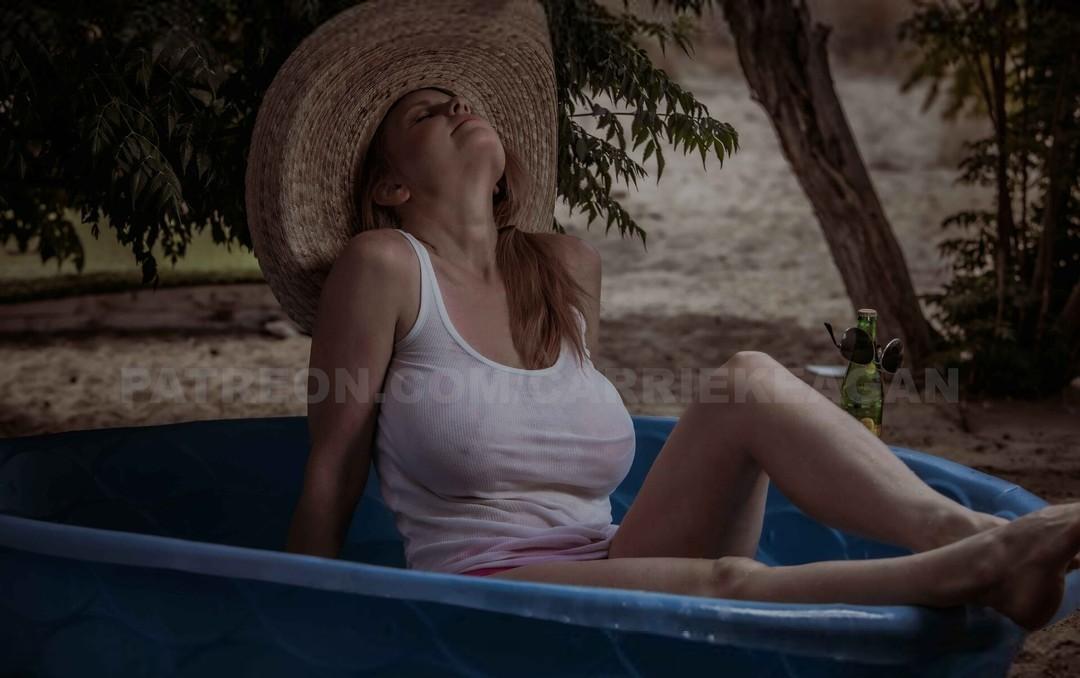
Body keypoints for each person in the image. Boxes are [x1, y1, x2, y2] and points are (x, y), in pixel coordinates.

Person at [243, 1, 1080, 633]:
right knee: (723, 585)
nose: (459, 107)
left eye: (459, 99)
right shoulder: (384, 265)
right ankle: (980, 564)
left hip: (611, 561)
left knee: (747, 379)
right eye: (425, 113)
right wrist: (295, 629)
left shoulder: (566, 267)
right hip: (486, 595)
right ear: (391, 185)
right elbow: (333, 466)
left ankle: (967, 533)